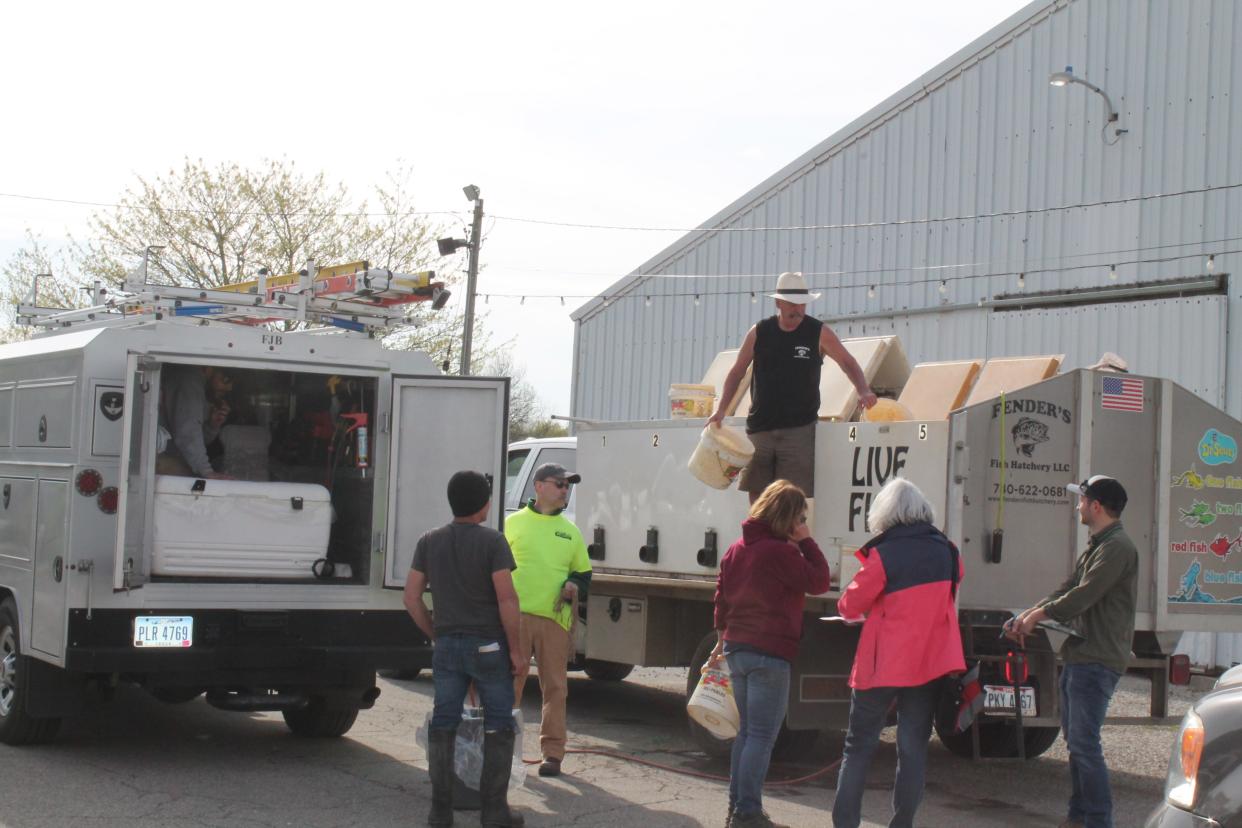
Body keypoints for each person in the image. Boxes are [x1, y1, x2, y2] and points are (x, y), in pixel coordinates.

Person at [831, 477, 965, 828]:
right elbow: (952, 587)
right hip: (928, 666)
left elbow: (849, 604)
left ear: (885, 514)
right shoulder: (949, 551)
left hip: (881, 666)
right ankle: (902, 823)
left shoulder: (883, 554)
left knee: (858, 747)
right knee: (912, 749)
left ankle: (846, 823)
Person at [1005, 475, 1137, 828]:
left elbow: (1084, 595)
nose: (1077, 506)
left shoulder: (1117, 548)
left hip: (1098, 658)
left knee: (1084, 744)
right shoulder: (1100, 544)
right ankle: (1078, 817)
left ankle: (1097, 820)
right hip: (1081, 655)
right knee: (1077, 743)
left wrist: (1037, 616)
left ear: (1096, 506)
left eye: (1081, 500)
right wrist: (1028, 615)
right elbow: (1068, 587)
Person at [403, 470, 526, 827]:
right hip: (488, 646)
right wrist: (516, 651)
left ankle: (440, 812)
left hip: (448, 647)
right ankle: (494, 811)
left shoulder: (429, 541)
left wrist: (436, 633)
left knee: (444, 722)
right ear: (485, 502)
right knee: (499, 724)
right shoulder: (493, 543)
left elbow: (411, 598)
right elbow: (507, 599)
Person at [708, 479, 831, 828]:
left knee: (746, 734)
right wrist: (807, 540)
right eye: (800, 517)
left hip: (738, 647)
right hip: (770, 651)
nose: (802, 522)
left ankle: (738, 808)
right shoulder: (782, 552)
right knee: (761, 736)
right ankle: (747, 812)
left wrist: (721, 639)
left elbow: (721, 596)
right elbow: (820, 580)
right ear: (788, 517)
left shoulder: (736, 549)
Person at [707, 271, 878, 503]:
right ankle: (758, 538)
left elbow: (848, 363)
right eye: (793, 304)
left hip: (799, 429)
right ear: (778, 302)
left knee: (792, 498)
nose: (798, 309)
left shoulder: (819, 332)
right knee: (757, 494)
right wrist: (722, 410)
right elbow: (737, 372)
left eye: (803, 304)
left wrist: (863, 389)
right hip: (760, 428)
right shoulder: (759, 331)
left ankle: (788, 540)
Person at [505, 462, 592, 778]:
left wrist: (574, 585)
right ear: (539, 486)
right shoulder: (512, 524)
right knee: (509, 684)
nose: (565, 490)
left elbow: (583, 573)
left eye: (568, 486)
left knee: (555, 687)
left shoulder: (571, 531)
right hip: (515, 619)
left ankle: (552, 754)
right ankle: (504, 750)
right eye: (560, 484)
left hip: (554, 620)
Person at [156, 364, 234, 478]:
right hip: (160, 459)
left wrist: (212, 426)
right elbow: (187, 434)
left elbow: (195, 440)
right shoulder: (190, 381)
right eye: (226, 379)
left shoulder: (199, 387)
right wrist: (207, 472)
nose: (229, 387)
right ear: (208, 367)